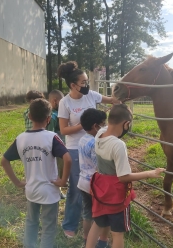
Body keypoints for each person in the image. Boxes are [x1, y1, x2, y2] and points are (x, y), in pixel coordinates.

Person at [86, 104, 165, 248]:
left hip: (100, 186)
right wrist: (149, 173)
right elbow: (123, 176)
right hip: (115, 192)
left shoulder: (99, 134)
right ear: (126, 124)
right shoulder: (118, 145)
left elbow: (107, 126)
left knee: (97, 224)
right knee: (117, 233)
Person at [57, 61, 120, 238]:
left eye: (86, 81)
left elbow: (111, 100)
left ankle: (92, 220)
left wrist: (120, 99)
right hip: (76, 149)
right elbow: (63, 130)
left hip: (96, 146)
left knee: (95, 185)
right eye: (83, 82)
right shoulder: (65, 102)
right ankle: (69, 223)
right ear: (73, 85)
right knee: (77, 188)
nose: (86, 85)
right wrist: (83, 125)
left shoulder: (91, 95)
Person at [1, 98, 72, 248]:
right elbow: (68, 159)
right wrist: (63, 181)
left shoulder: (20, 139)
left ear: (29, 116)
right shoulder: (52, 137)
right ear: (48, 119)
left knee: (31, 222)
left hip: (31, 189)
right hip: (50, 192)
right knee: (48, 227)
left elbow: (4, 161)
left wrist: (17, 182)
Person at [77, 108, 109, 248]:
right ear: (96, 126)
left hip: (82, 181)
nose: (105, 126)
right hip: (94, 185)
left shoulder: (82, 139)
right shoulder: (95, 143)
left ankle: (86, 240)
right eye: (103, 124)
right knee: (103, 214)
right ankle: (102, 241)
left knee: (87, 214)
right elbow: (99, 166)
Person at [47, 89, 66, 199]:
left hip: (58, 146)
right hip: (55, 148)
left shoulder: (56, 113)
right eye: (61, 102)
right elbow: (50, 134)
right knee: (56, 168)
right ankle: (56, 190)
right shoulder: (53, 116)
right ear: (54, 101)